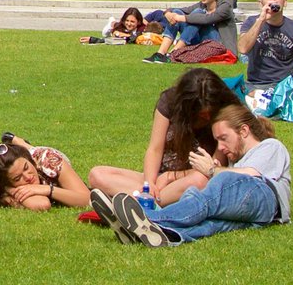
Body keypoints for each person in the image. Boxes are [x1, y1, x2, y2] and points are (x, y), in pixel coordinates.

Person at [96, 103, 291, 246]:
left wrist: (212, 170)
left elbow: (250, 176)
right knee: (211, 224)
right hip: (264, 217)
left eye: (224, 139)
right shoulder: (235, 161)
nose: (220, 147)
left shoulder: (271, 146)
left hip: (265, 197)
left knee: (217, 186)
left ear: (244, 131)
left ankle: (149, 218)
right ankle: (162, 235)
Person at [86, 67, 240, 209]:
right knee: (97, 175)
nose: (207, 118)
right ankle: (150, 199)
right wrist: (149, 183)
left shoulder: (225, 111)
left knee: (200, 181)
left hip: (194, 177)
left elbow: (213, 167)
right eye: (200, 115)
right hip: (161, 179)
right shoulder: (169, 101)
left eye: (209, 114)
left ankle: (144, 206)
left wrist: (172, 177)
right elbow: (155, 148)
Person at [0, 136, 90, 211]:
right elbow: (42, 205)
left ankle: (22, 144)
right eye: (18, 178)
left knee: (34, 151)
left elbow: (87, 200)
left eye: (26, 167)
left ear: (28, 159)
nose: (28, 177)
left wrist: (48, 190)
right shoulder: (7, 188)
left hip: (43, 157)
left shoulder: (50, 160)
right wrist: (9, 192)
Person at [150, 0, 236, 62]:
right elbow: (182, 10)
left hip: (219, 46)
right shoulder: (202, 5)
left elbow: (207, 19)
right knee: (177, 11)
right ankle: (160, 53)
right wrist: (168, 13)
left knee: (197, 14)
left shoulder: (225, 7)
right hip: (203, 43)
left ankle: (174, 52)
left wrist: (181, 18)